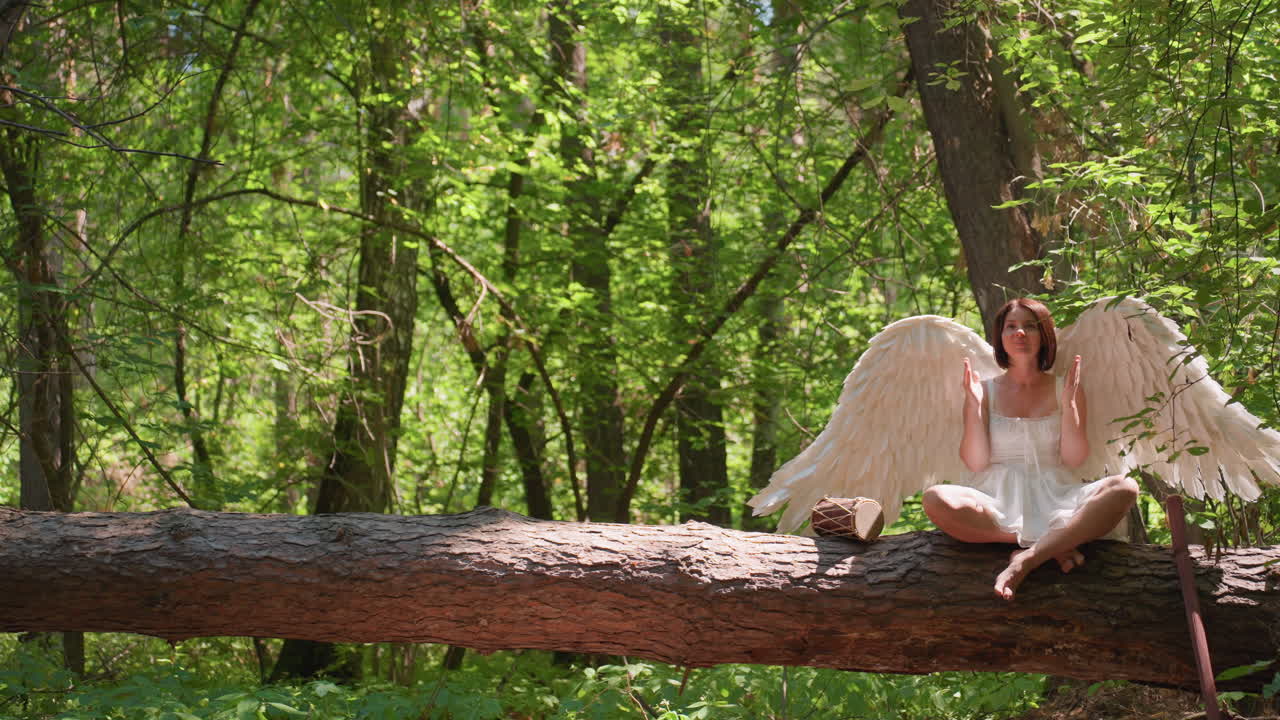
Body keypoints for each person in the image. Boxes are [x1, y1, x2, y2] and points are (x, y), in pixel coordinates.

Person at [919, 298, 1139, 601]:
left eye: (1030, 326)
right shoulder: (984, 389)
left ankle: (1027, 558)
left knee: (1125, 487)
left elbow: (1074, 458)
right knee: (935, 498)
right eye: (1011, 327)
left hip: (1057, 495)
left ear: (1044, 335)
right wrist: (973, 404)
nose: (1020, 333)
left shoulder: (1067, 386)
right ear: (1000, 337)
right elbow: (976, 462)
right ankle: (1058, 543)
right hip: (997, 500)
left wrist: (1071, 405)